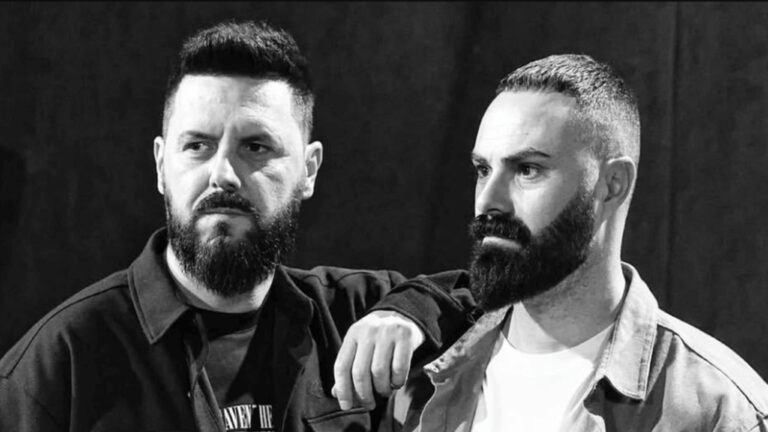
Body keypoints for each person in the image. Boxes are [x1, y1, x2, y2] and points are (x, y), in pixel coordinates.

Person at [0, 21, 467, 432]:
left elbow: (489, 294)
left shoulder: (352, 316)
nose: (223, 174)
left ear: (308, 170)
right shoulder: (60, 363)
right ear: (161, 165)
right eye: (198, 146)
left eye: (256, 147)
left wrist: (411, 312)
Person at [380, 54, 768, 431]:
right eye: (483, 169)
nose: (488, 202)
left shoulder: (719, 412)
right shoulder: (418, 378)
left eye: (527, 169)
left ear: (612, 185)